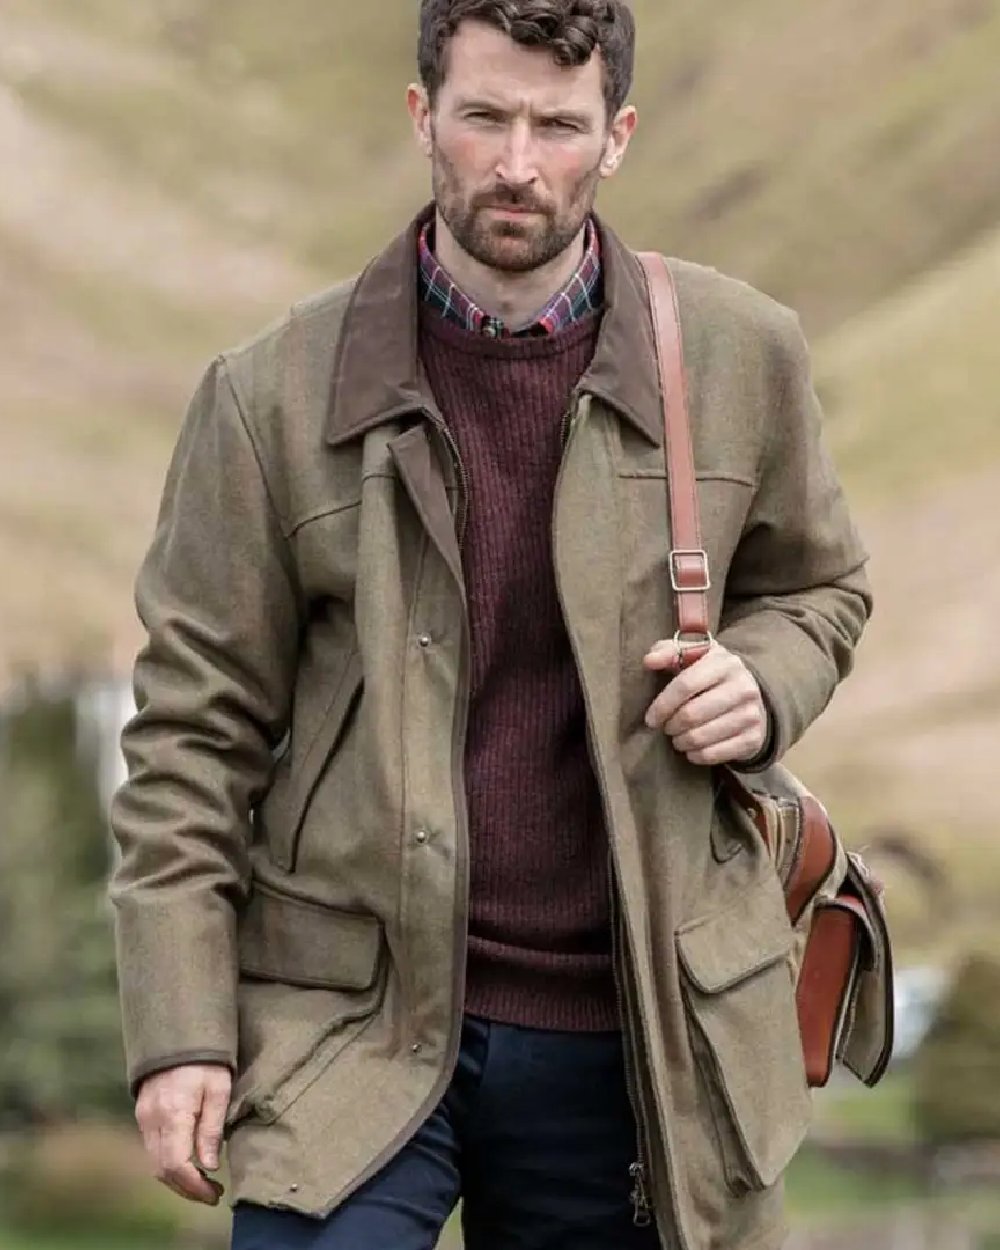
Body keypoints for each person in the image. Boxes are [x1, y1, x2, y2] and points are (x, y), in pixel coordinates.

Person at [109, 2, 873, 1248]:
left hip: (644, 1033)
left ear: (615, 136)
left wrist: (764, 679)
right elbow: (191, 737)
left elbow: (820, 588)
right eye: (484, 116)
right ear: (423, 118)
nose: (518, 162)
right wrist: (181, 1031)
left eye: (558, 126)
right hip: (352, 1023)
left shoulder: (745, 356)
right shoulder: (266, 398)